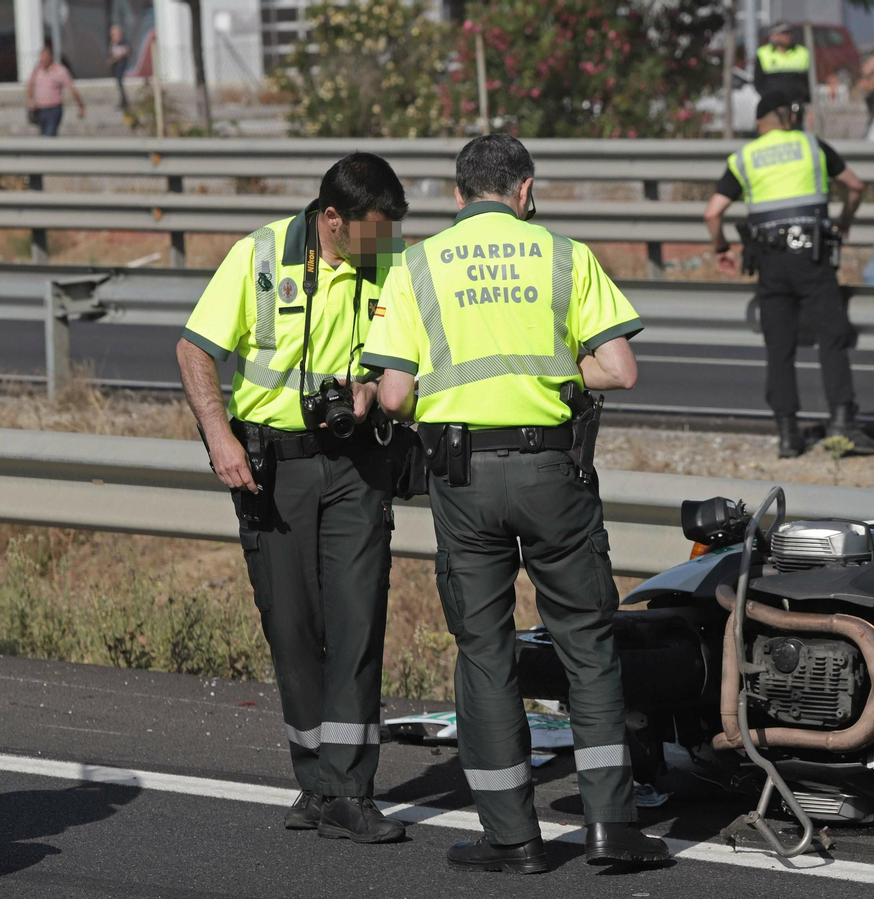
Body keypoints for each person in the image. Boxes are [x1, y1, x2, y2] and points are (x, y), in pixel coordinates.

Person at [363, 133, 670, 872]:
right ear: (525, 190)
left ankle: (513, 837)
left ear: (458, 193)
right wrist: (555, 370)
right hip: (552, 474)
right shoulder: (565, 255)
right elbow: (621, 369)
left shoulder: (416, 266)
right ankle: (611, 827)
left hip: (462, 477)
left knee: (485, 651)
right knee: (587, 645)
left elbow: (395, 395)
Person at [175, 153, 410, 844]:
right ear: (331, 219)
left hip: (359, 463)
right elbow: (194, 350)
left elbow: (420, 354)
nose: (385, 242)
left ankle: (350, 789)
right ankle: (317, 783)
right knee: (292, 626)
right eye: (372, 230)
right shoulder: (259, 256)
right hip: (274, 468)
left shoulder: (392, 261)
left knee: (357, 621)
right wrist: (219, 436)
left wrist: (377, 388)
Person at [703, 93, 874, 458]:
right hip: (812, 259)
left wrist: (721, 249)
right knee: (832, 338)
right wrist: (845, 221)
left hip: (771, 264)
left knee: (779, 349)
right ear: (789, 118)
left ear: (759, 124)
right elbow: (856, 185)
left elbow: (712, 213)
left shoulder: (745, 157)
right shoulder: (812, 146)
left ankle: (787, 435)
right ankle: (842, 425)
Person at [26, 42, 85, 137]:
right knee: (43, 134)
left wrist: (80, 105)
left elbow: (71, 88)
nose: (42, 60)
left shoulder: (59, 71)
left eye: (45, 57)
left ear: (50, 57)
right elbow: (29, 85)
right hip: (40, 109)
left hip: (54, 109)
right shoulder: (37, 71)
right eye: (41, 58)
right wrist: (31, 100)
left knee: (50, 134)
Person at [753, 21, 811, 104]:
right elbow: (759, 82)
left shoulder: (802, 52)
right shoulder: (763, 53)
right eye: (784, 33)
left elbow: (809, 79)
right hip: (773, 103)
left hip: (798, 102)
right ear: (774, 36)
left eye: (789, 33)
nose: (788, 36)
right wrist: (768, 98)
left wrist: (804, 97)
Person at [108, 24, 130, 112]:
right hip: (116, 65)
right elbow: (112, 52)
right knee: (118, 83)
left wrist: (113, 60)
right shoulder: (114, 43)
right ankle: (122, 100)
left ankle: (124, 101)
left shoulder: (123, 42)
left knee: (120, 82)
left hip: (121, 64)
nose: (112, 36)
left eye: (113, 34)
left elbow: (121, 53)